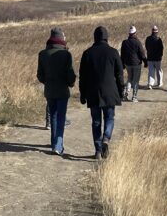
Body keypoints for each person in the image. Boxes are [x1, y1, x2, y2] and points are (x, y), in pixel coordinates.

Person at [79, 26, 125, 159]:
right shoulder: (113, 52)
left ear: (95, 37)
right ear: (106, 37)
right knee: (110, 118)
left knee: (96, 122)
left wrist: (82, 94)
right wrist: (121, 91)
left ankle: (98, 151)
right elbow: (120, 74)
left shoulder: (87, 53)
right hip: (110, 92)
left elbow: (83, 76)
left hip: (93, 93)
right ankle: (106, 138)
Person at [37, 27, 76, 156]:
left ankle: (54, 142)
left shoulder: (42, 54)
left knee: (52, 116)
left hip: (49, 90)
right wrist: (70, 83)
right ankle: (58, 146)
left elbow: (40, 75)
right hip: (62, 91)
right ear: (61, 38)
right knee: (61, 118)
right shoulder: (66, 54)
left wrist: (47, 82)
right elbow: (71, 74)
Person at [120, 26, 147, 102]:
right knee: (135, 80)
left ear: (129, 33)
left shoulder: (124, 42)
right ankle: (134, 97)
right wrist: (145, 62)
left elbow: (122, 54)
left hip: (127, 64)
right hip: (136, 64)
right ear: (135, 33)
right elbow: (142, 53)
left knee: (129, 78)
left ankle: (126, 94)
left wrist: (122, 64)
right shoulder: (137, 42)